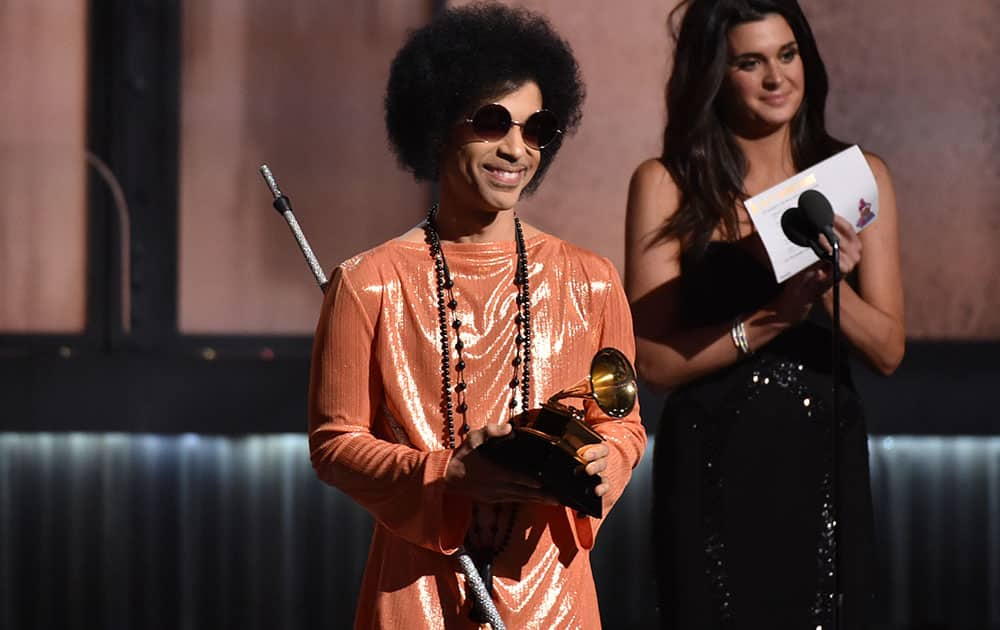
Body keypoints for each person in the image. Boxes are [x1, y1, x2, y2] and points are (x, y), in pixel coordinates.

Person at [308, 4, 647, 628]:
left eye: (536, 128)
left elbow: (621, 425)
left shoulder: (593, 281)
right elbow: (334, 444)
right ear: (438, 126)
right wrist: (450, 475)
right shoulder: (367, 283)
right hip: (417, 591)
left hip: (554, 595)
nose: (516, 149)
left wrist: (611, 460)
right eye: (493, 123)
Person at [624, 0, 904, 628]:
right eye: (751, 63)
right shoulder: (668, 185)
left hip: (822, 462)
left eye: (787, 55)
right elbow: (653, 363)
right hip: (711, 463)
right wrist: (777, 316)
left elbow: (888, 350)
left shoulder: (861, 179)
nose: (777, 79)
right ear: (714, 74)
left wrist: (828, 293)